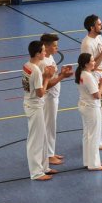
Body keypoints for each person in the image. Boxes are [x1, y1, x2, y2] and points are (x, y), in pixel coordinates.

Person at [22, 41, 57, 181]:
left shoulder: (27, 65)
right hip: (34, 105)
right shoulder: (36, 70)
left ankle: (44, 167)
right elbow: (40, 92)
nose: (45, 53)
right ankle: (36, 172)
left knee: (42, 137)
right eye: (43, 51)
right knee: (35, 140)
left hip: (32, 103)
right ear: (37, 53)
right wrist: (47, 77)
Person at [39, 33, 73, 165]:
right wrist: (62, 77)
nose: (56, 48)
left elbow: (53, 78)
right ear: (46, 47)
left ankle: (50, 152)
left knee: (51, 125)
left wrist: (61, 73)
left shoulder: (50, 57)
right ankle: (48, 155)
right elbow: (46, 85)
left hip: (54, 97)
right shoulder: (43, 62)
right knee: (49, 126)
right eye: (54, 46)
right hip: (48, 98)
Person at [81, 14, 102, 150]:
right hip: (94, 74)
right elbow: (91, 65)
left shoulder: (99, 37)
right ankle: (98, 140)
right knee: (97, 105)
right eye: (99, 24)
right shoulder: (87, 44)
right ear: (92, 27)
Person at [75, 53, 102, 171]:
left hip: (84, 105)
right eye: (92, 61)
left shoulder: (81, 74)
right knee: (94, 135)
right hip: (91, 107)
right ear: (86, 63)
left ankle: (88, 160)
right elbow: (97, 95)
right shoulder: (87, 76)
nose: (94, 62)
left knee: (87, 134)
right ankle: (94, 164)